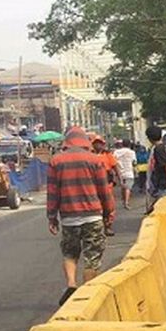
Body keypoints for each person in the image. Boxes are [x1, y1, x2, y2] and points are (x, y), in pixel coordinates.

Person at [46, 127, 115, 306]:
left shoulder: (56, 161)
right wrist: (109, 212)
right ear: (86, 142)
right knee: (92, 257)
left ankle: (71, 284)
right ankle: (87, 292)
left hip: (69, 217)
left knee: (70, 252)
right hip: (92, 216)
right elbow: (104, 190)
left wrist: (51, 216)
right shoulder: (95, 160)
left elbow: (52, 192)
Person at [91, 135, 121, 235]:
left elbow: (115, 167)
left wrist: (120, 179)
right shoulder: (90, 156)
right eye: (96, 143)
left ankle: (108, 225)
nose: (98, 145)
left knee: (109, 206)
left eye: (100, 143)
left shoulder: (108, 155)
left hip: (107, 184)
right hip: (93, 185)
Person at [112, 139, 136, 209]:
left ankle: (123, 199)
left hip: (119, 172)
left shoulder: (116, 152)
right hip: (129, 172)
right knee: (128, 188)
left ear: (122, 144)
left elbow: (113, 161)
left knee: (123, 186)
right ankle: (126, 202)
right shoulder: (132, 152)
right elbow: (134, 162)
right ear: (129, 145)